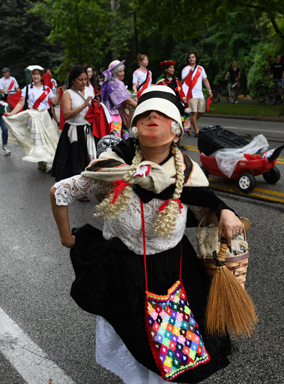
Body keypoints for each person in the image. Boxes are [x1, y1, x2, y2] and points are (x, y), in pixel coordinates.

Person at [50, 86, 244, 383]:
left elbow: (206, 205)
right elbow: (59, 191)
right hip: (125, 271)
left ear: (176, 130)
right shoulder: (113, 167)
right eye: (145, 114)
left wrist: (225, 211)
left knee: (176, 352)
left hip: (175, 270)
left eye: (162, 113)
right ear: (136, 127)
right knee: (138, 348)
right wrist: (66, 237)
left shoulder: (188, 172)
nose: (152, 116)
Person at [51, 66, 96, 201]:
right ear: (73, 81)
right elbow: (67, 114)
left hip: (88, 130)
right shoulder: (68, 94)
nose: (83, 82)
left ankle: (90, 187)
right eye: (80, 80)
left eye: (85, 79)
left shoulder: (90, 90)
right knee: (77, 160)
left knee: (90, 160)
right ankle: (79, 191)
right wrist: (83, 105)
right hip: (74, 131)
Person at [4, 65, 59, 171]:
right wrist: (11, 113)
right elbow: (21, 104)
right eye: (33, 74)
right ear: (31, 77)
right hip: (34, 116)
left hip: (44, 116)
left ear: (41, 76)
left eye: (37, 74)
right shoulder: (27, 88)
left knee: (48, 139)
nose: (35, 76)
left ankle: (48, 161)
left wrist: (59, 93)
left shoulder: (47, 89)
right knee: (38, 140)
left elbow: (55, 102)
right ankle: (42, 161)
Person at [101, 59, 138, 139]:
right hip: (116, 116)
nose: (123, 73)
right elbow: (127, 100)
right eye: (120, 71)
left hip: (108, 115)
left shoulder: (107, 82)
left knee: (113, 139)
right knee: (118, 140)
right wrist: (140, 106)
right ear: (114, 73)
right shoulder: (116, 83)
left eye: (123, 71)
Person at [156, 59, 188, 150]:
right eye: (171, 68)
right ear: (166, 69)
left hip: (177, 104)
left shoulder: (176, 80)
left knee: (179, 123)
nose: (173, 69)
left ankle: (179, 143)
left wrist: (185, 102)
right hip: (166, 104)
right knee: (168, 124)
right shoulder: (161, 81)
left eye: (173, 68)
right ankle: (167, 142)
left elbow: (180, 91)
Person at [181, 53, 213, 137]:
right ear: (188, 59)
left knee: (201, 112)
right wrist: (189, 73)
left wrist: (209, 90)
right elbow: (183, 81)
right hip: (191, 94)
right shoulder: (185, 69)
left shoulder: (200, 68)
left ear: (196, 58)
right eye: (189, 57)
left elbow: (205, 80)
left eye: (193, 57)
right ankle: (197, 131)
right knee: (193, 113)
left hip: (200, 93)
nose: (191, 59)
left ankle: (187, 124)